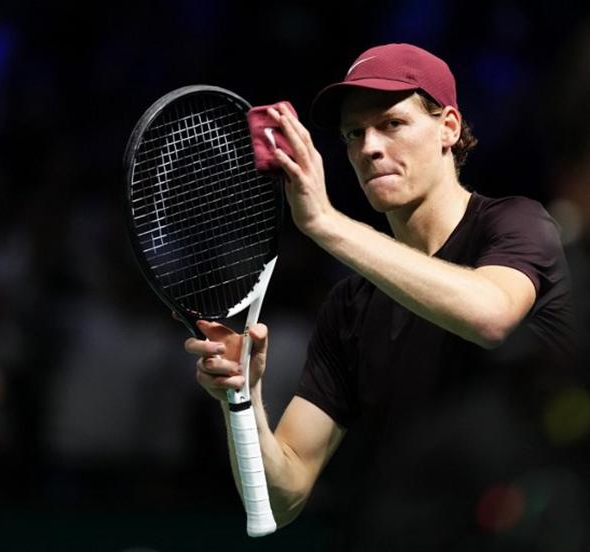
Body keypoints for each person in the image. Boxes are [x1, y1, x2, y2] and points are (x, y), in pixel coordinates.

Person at [185, 43, 577, 548]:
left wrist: (324, 223)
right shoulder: (351, 306)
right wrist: (242, 395)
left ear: (449, 128)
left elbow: (490, 315)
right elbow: (282, 496)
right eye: (354, 133)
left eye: (392, 124)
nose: (369, 147)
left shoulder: (517, 224)